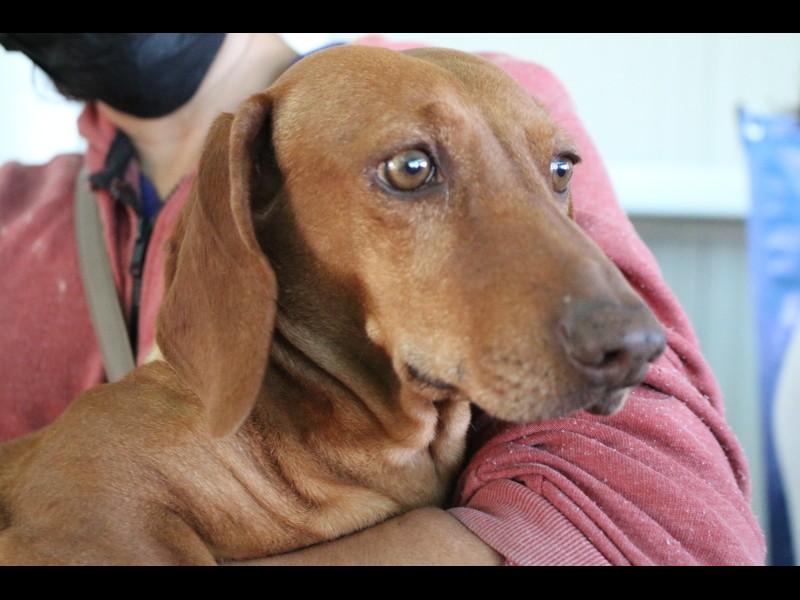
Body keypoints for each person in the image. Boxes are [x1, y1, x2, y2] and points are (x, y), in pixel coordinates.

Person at [0, 33, 766, 566]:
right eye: (410, 171)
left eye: (558, 173)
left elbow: (677, 527)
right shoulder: (15, 212)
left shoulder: (489, 103)